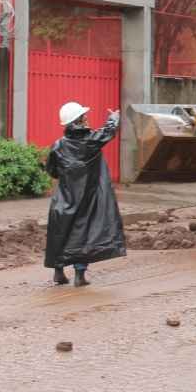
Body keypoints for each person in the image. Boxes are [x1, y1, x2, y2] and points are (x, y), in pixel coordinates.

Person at [45, 102, 126, 287]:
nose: (87, 117)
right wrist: (113, 119)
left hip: (64, 199)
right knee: (84, 235)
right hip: (87, 199)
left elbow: (52, 171)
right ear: (79, 120)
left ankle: (58, 272)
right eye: (84, 115)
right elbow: (107, 132)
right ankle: (79, 275)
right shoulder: (90, 141)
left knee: (61, 234)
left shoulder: (58, 145)